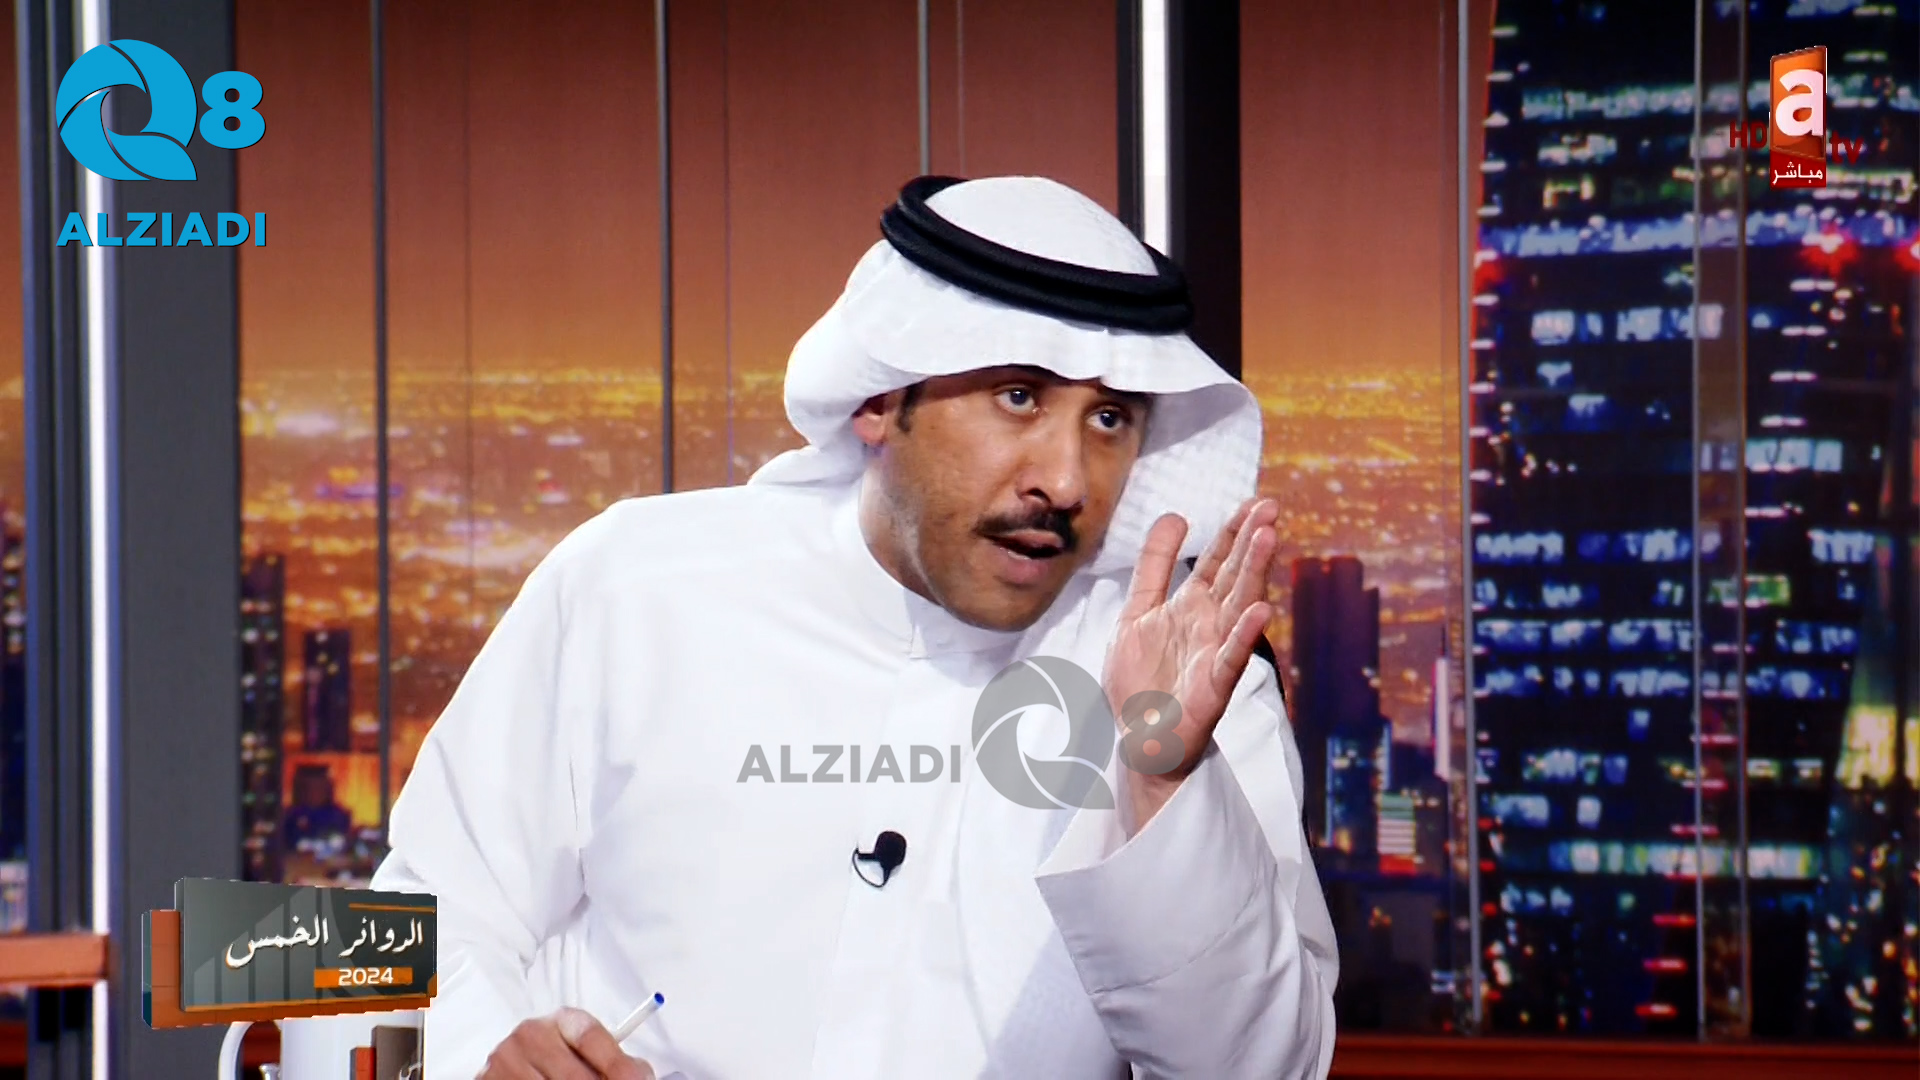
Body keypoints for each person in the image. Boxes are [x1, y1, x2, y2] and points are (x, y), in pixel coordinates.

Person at [370, 175, 1338, 1078]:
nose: (1067, 479)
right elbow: (379, 924)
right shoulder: (634, 584)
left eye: (1111, 419)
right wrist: (477, 1053)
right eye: (1018, 397)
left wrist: (1165, 779)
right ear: (880, 399)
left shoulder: (1179, 680)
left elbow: (1266, 1066)